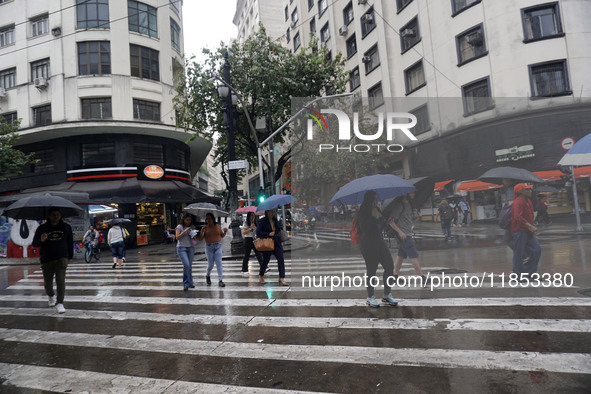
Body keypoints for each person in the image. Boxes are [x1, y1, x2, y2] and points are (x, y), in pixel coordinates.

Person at [356, 190, 398, 307]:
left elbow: (382, 224)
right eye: (375, 198)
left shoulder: (377, 209)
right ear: (370, 199)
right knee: (372, 270)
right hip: (368, 243)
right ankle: (370, 297)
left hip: (380, 242)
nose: (377, 200)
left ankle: (387, 294)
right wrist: (374, 217)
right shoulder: (363, 211)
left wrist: (387, 220)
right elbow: (364, 228)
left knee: (389, 266)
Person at [32, 208, 73, 314]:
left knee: (60, 281)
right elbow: (34, 243)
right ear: (49, 216)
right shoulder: (42, 228)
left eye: (58, 215)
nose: (56, 217)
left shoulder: (66, 227)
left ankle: (60, 303)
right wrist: (41, 240)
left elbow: (70, 242)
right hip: (47, 259)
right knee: (48, 283)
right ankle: (51, 295)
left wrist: (70, 257)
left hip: (61, 257)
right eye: (53, 215)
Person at [388, 192, 429, 286]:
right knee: (414, 256)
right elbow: (391, 221)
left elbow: (408, 219)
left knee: (401, 256)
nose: (414, 193)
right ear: (406, 193)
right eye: (412, 192)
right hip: (404, 235)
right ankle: (422, 278)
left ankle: (395, 276)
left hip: (408, 233)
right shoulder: (399, 205)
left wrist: (416, 218)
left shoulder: (409, 204)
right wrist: (400, 232)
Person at [510, 184, 541, 280]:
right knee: (518, 253)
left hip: (528, 231)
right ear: (522, 191)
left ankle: (529, 272)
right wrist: (530, 226)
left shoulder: (528, 201)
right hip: (520, 231)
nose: (530, 191)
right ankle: (518, 275)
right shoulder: (518, 202)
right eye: (528, 189)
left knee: (537, 250)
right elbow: (517, 217)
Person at [256, 208, 289, 286]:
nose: (272, 213)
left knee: (281, 259)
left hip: (277, 242)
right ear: (267, 212)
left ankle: (281, 277)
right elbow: (258, 232)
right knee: (265, 261)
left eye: (273, 212)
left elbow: (277, 231)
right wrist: (268, 234)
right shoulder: (262, 221)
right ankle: (261, 275)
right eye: (271, 212)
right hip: (268, 243)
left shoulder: (275, 221)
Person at [199, 212, 227, 287]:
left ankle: (220, 280)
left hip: (218, 246)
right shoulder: (205, 228)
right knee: (210, 264)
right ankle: (207, 275)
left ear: (213, 219)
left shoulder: (218, 226)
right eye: (207, 219)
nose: (208, 220)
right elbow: (200, 239)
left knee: (219, 263)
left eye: (209, 219)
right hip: (209, 247)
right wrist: (202, 231)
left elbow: (222, 235)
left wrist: (225, 232)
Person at [176, 214, 198, 291]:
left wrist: (193, 234)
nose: (188, 222)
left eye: (190, 220)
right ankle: (185, 283)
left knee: (189, 266)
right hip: (181, 248)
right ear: (183, 219)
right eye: (187, 220)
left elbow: (195, 239)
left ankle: (190, 282)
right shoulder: (179, 227)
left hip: (191, 248)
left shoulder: (192, 227)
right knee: (186, 265)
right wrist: (185, 231)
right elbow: (177, 237)